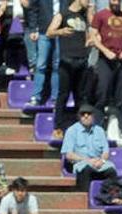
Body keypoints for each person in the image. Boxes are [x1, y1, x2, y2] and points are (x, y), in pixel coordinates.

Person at [47, 0, 92, 136]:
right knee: (63, 95)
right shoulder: (63, 14)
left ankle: (82, 127)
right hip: (67, 61)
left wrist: (90, 42)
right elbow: (49, 32)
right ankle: (58, 127)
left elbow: (88, 36)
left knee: (81, 97)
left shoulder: (84, 16)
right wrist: (61, 31)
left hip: (81, 61)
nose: (89, 2)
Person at [91, 0, 122, 134]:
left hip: (121, 59)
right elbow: (93, 36)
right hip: (105, 59)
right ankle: (98, 128)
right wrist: (105, 51)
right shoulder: (100, 15)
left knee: (121, 97)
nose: (115, 2)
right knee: (102, 93)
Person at [62, 104, 116, 191]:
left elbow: (106, 152)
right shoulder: (71, 131)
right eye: (83, 114)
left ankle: (110, 195)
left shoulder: (100, 130)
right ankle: (86, 195)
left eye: (89, 114)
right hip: (82, 164)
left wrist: (102, 161)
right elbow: (69, 155)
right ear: (79, 116)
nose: (86, 116)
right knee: (86, 170)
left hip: (99, 164)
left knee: (111, 170)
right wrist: (87, 160)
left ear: (93, 116)